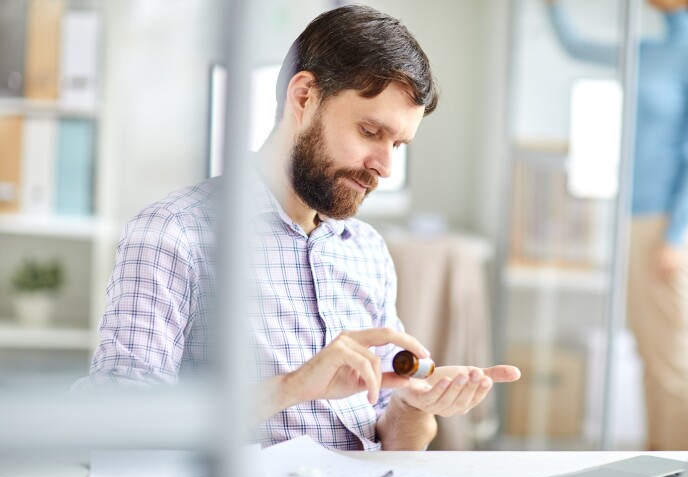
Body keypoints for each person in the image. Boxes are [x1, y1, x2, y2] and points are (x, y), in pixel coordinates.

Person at [78, 4, 521, 451]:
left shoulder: (366, 250)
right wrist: (292, 386)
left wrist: (416, 404)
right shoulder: (174, 234)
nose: (384, 167)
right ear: (305, 96)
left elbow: (397, 439)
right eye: (370, 131)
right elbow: (120, 418)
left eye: (398, 144)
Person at [545, 0, 688, 450]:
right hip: (638, 217)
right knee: (652, 351)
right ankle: (659, 457)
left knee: (670, 356)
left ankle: (680, 470)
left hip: (670, 222)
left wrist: (677, 235)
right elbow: (574, 44)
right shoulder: (650, 47)